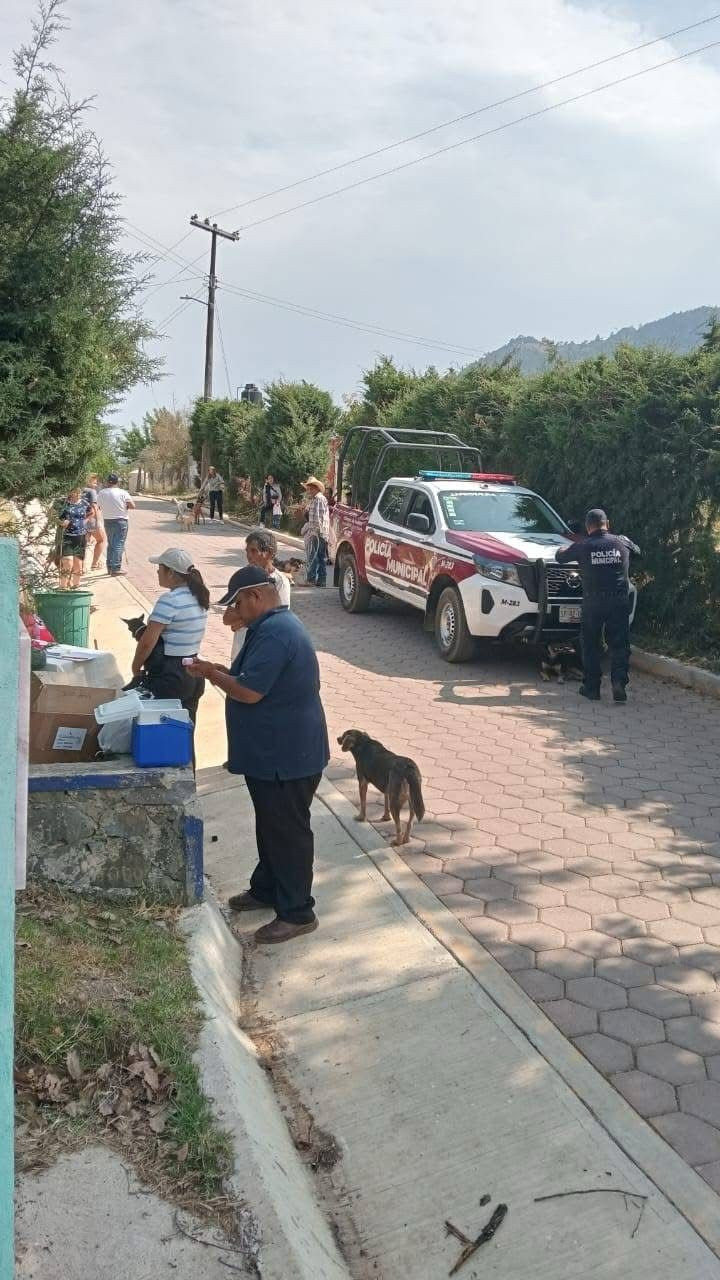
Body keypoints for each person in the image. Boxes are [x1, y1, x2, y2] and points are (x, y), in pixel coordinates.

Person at [187, 565, 329, 944]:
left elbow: (249, 692)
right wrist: (215, 669)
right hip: (273, 754)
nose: (232, 612)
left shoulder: (278, 634)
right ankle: (267, 888)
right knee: (270, 826)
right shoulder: (266, 629)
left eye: (235, 603)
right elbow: (249, 678)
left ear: (255, 596)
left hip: (288, 756)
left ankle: (298, 912)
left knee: (287, 832)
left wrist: (213, 676)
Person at [555, 508, 640, 703]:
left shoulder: (583, 546)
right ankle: (619, 683)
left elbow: (561, 557)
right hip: (618, 601)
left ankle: (592, 688)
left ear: (587, 526)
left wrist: (561, 548)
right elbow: (638, 552)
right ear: (607, 524)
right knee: (620, 644)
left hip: (593, 602)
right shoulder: (622, 542)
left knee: (590, 644)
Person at [130, 547, 209, 730]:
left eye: (160, 567)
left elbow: (147, 642)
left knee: (162, 732)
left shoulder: (170, 600)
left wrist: (135, 667)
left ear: (171, 573)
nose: (157, 571)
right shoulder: (199, 597)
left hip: (170, 674)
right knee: (184, 732)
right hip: (194, 671)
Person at [230, 528, 291, 662]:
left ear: (268, 553)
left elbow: (278, 621)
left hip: (262, 653)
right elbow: (228, 617)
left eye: (253, 551)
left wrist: (244, 620)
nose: (249, 556)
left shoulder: (280, 582)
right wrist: (246, 618)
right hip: (240, 651)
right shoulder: (244, 578)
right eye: (247, 551)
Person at [96, 474, 135, 576]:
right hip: (121, 520)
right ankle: (116, 567)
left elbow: (98, 506)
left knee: (111, 544)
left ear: (108, 482)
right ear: (117, 482)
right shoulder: (122, 492)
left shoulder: (102, 493)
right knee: (119, 544)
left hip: (108, 520)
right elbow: (132, 505)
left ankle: (109, 567)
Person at [57, 485, 92, 588]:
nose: (77, 494)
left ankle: (75, 586)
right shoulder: (64, 503)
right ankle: (63, 587)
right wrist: (61, 522)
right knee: (67, 562)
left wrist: (84, 522)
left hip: (80, 536)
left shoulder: (84, 503)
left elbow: (91, 512)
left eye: (79, 492)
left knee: (78, 564)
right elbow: (53, 516)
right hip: (67, 536)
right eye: (75, 492)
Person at [301, 476, 330, 588]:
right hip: (320, 532)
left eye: (309, 488)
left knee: (313, 556)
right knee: (320, 557)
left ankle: (311, 579)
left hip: (317, 532)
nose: (308, 491)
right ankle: (321, 580)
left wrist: (315, 532)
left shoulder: (318, 499)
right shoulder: (317, 499)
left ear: (315, 488)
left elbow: (319, 517)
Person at [83, 474, 106, 572]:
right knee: (102, 539)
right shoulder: (91, 491)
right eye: (94, 482)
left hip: (80, 520)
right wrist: (98, 521)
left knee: (84, 543)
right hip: (91, 520)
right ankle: (94, 564)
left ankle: (82, 567)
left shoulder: (78, 490)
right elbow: (95, 507)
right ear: (88, 481)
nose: (96, 485)